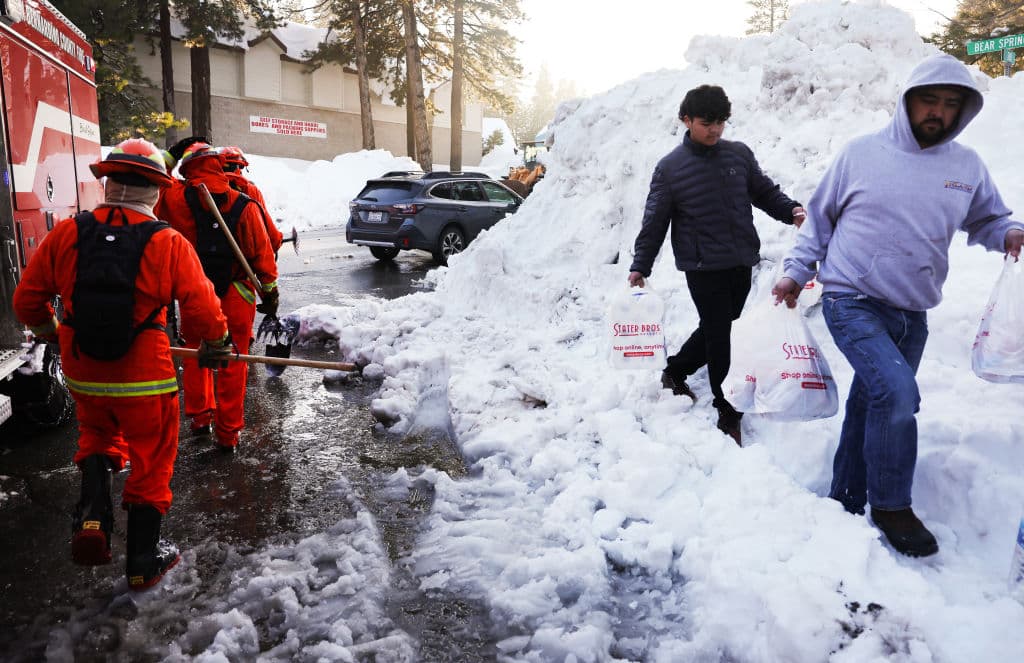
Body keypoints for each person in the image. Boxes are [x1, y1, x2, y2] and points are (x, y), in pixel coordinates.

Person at [772, 54, 1024, 557]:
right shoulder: (860, 154)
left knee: (873, 400)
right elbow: (818, 223)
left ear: (963, 112)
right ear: (907, 101)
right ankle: (891, 506)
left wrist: (1010, 233)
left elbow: (989, 220)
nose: (938, 112)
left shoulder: (966, 166)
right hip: (852, 300)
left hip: (913, 314)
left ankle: (844, 495)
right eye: (929, 100)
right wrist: (796, 274)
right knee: (897, 391)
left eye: (951, 104)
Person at [12, 138, 231, 589]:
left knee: (96, 434)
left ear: (108, 183)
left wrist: (55, 333)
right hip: (144, 378)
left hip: (83, 371)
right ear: (155, 190)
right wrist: (217, 342)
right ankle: (142, 561)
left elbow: (27, 300)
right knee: (151, 458)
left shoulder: (68, 232)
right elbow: (203, 309)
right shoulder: (167, 241)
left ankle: (93, 519)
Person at [628, 84, 805, 445]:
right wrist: (640, 265)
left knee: (719, 327)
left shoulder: (738, 155)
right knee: (721, 332)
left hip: (740, 260)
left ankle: (676, 370)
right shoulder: (670, 168)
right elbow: (654, 222)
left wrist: (791, 210)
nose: (715, 130)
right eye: (707, 122)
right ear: (686, 120)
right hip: (702, 265)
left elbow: (764, 191)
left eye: (722, 122)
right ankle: (728, 408)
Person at [156, 143, 279, 451]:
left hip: (193, 292)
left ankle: (200, 417)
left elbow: (155, 173)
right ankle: (228, 433)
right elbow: (264, 254)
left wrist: (173, 153)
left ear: (187, 171)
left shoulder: (173, 198)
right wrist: (270, 293)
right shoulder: (245, 201)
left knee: (196, 353)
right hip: (236, 292)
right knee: (233, 360)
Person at [220, 146, 284, 256]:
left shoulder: (205, 189)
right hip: (243, 258)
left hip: (208, 257)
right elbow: (264, 222)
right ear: (240, 167)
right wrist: (276, 241)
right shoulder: (249, 190)